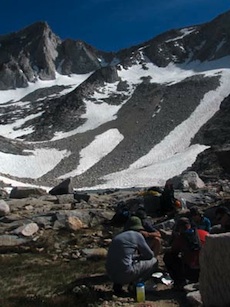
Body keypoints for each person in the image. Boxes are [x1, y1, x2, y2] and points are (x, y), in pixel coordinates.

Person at [106, 216, 158, 295]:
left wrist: (136, 258)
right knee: (154, 261)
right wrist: (140, 257)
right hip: (125, 274)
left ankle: (118, 286)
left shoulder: (118, 236)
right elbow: (149, 255)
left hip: (111, 274)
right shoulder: (137, 235)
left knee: (124, 261)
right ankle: (135, 286)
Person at [163, 217, 208, 290]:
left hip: (193, 273)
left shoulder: (181, 237)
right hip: (208, 269)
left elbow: (173, 251)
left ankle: (180, 283)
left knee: (168, 257)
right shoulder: (204, 233)